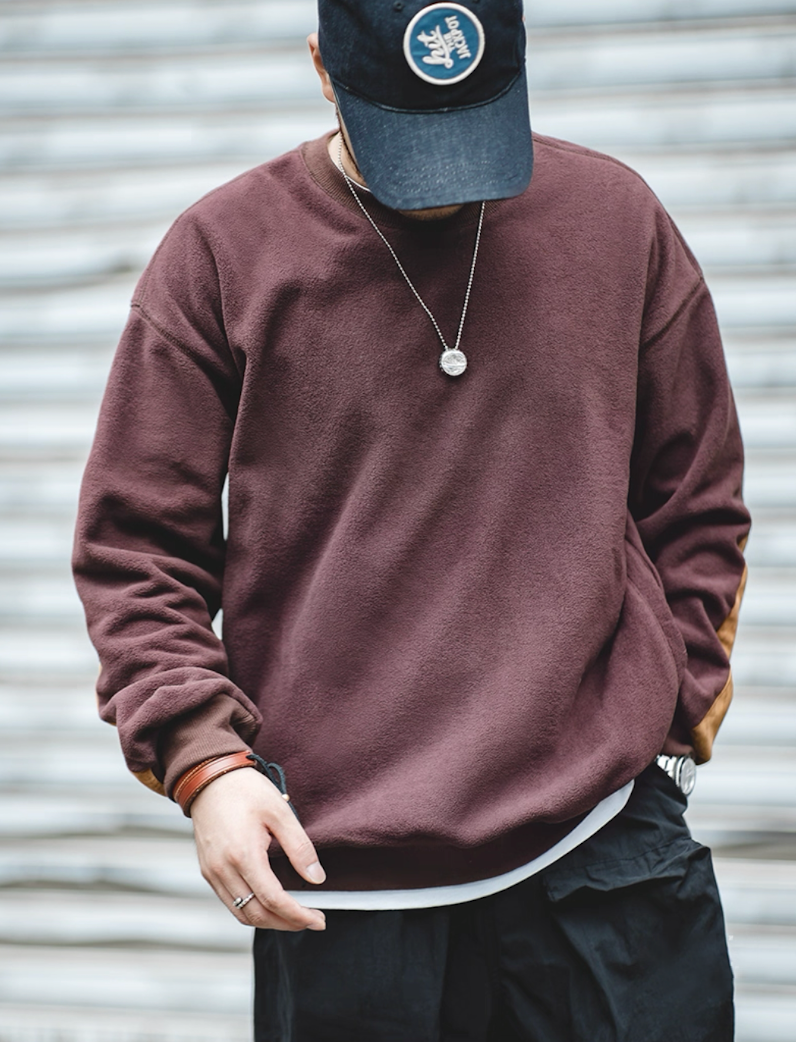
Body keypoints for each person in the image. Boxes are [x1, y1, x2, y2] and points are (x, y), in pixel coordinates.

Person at [73, 1, 750, 1039]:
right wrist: (208, 766)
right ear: (319, 67)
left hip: (605, 857)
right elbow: (134, 553)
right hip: (345, 887)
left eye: (471, 123)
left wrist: (665, 717)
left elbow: (696, 496)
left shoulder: (616, 220)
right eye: (404, 130)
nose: (442, 178)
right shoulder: (219, 255)